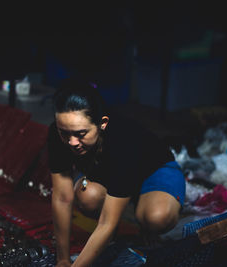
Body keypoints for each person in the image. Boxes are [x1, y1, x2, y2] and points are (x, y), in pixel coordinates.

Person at [47, 78, 185, 266]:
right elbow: (62, 197)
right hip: (110, 173)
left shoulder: (124, 143)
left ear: (102, 124)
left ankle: (143, 216)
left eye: (81, 134)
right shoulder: (56, 134)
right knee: (89, 197)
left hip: (154, 171)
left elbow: (106, 222)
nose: (72, 142)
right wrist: (62, 259)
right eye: (65, 133)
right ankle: (116, 223)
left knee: (156, 217)